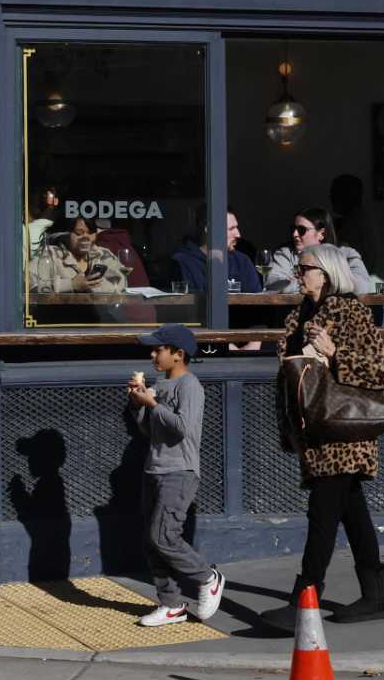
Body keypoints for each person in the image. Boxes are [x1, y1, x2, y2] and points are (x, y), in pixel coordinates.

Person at [262, 243, 384, 629]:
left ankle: (303, 601)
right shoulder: (301, 313)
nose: (297, 274)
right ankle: (376, 595)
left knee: (322, 516)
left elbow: (379, 371)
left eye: (304, 267)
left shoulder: (349, 310)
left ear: (326, 272)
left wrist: (336, 352)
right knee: (353, 513)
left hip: (344, 433)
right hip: (317, 432)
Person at [125, 324, 225, 627]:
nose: (153, 354)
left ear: (178, 355)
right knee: (151, 541)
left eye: (159, 349)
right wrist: (137, 405)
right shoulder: (161, 383)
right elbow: (150, 430)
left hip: (179, 471)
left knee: (164, 536)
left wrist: (152, 403)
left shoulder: (190, 386)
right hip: (154, 468)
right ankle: (171, 604)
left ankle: (208, 577)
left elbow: (183, 427)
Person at [263, 208, 373, 295]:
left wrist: (305, 282)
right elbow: (273, 284)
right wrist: (336, 280)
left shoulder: (346, 254)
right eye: (293, 229)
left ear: (322, 234)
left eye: (301, 230)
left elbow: (363, 286)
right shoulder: (285, 254)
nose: (294, 234)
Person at [169, 210, 261, 295]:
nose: (238, 234)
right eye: (231, 228)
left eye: (236, 227)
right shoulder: (182, 262)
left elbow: (257, 304)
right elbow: (191, 307)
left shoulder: (242, 261)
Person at [30, 219, 129, 294]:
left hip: (99, 318)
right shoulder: (49, 254)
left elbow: (121, 283)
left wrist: (88, 286)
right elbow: (31, 285)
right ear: (65, 234)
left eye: (90, 232)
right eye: (79, 233)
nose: (86, 237)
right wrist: (71, 284)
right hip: (58, 319)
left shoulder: (103, 254)